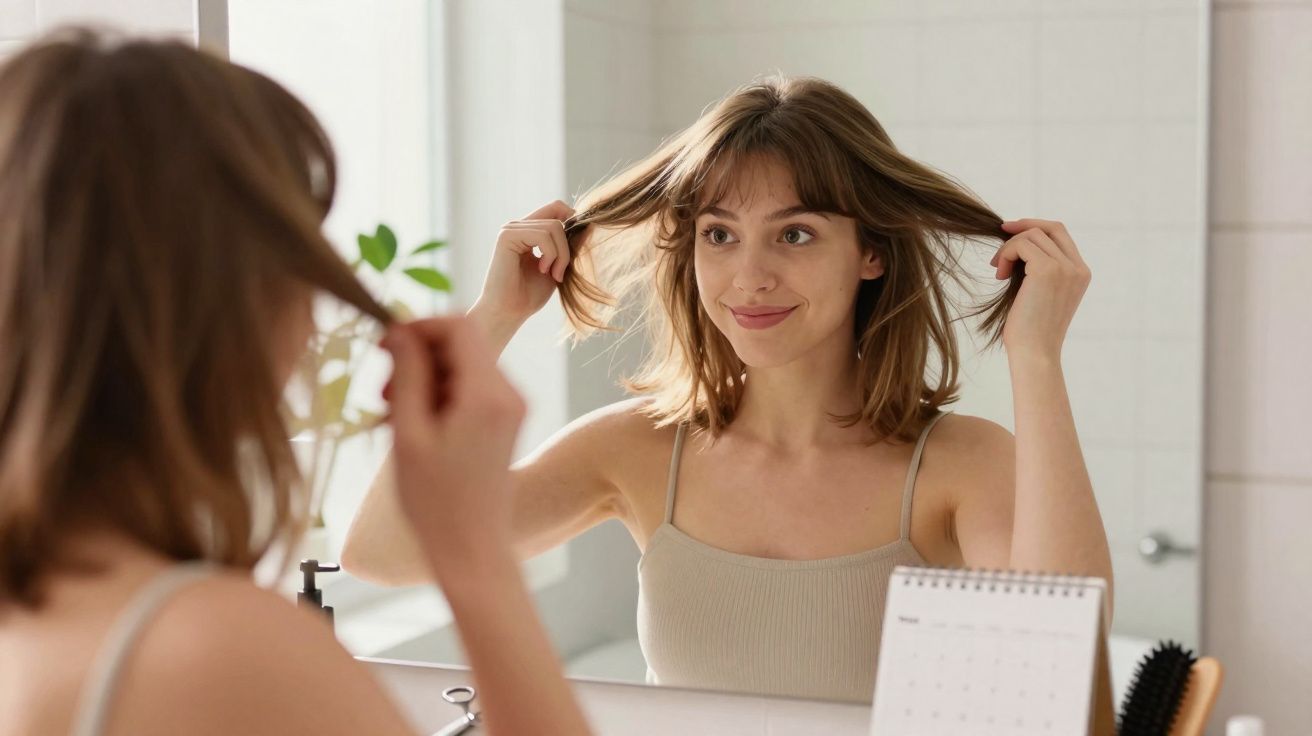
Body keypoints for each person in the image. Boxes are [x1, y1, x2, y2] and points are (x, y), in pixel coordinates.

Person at [344, 75, 1115, 703]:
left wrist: (1036, 357)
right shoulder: (635, 450)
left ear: (871, 254)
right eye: (719, 234)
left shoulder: (959, 464)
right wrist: (492, 320)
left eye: (796, 233)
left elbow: (1068, 656)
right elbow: (382, 552)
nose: (749, 277)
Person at [0, 30, 589, 736]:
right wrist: (474, 554)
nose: (311, 320)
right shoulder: (214, 651)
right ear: (225, 298)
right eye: (299, 253)